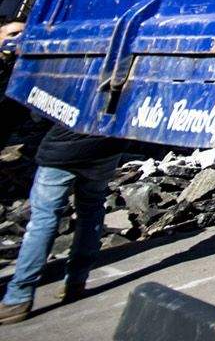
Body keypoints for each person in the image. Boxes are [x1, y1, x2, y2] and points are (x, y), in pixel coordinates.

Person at [0, 23, 132, 324]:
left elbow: (35, 104)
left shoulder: (64, 52)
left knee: (44, 218)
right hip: (107, 141)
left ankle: (18, 296)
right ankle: (76, 280)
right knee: (91, 208)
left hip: (64, 146)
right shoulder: (119, 48)